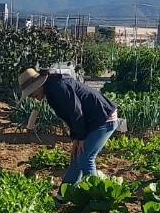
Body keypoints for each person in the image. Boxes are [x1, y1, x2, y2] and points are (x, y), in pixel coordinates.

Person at [18, 67, 119, 195]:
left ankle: (98, 195)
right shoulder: (51, 89)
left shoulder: (58, 88)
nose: (32, 97)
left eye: (31, 93)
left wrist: (81, 137)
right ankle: (63, 195)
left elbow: (76, 113)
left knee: (86, 157)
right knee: (77, 156)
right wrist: (76, 138)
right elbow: (70, 117)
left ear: (37, 85)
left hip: (103, 118)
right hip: (92, 120)